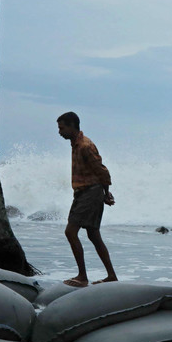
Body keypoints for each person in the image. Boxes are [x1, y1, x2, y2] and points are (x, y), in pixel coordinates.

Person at [57, 112, 118, 287]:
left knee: (70, 232)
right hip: (84, 193)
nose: (59, 132)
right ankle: (111, 275)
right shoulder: (75, 144)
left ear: (72, 126)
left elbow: (102, 171)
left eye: (62, 128)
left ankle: (82, 277)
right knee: (93, 234)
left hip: (90, 193)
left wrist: (106, 193)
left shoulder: (85, 145)